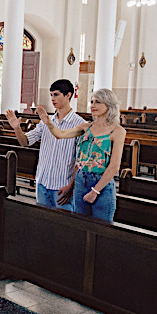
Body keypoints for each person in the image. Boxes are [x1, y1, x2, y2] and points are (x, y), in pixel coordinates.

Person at [41, 88, 126, 222]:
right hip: (81, 180)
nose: (93, 105)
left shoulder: (117, 131)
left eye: (98, 102)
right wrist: (48, 122)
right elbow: (60, 134)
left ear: (109, 104)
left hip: (101, 183)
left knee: (101, 228)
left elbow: (114, 167)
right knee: (80, 225)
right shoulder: (86, 127)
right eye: (92, 102)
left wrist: (95, 191)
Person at [4, 79, 85, 209]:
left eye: (56, 94)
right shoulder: (46, 121)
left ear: (68, 95)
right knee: (42, 220)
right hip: (42, 182)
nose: (52, 98)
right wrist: (17, 128)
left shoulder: (79, 124)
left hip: (62, 185)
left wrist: (71, 186)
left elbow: (80, 161)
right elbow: (25, 142)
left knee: (62, 221)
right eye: (51, 95)